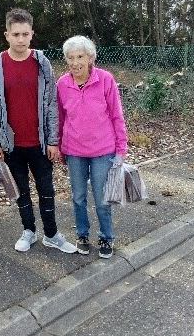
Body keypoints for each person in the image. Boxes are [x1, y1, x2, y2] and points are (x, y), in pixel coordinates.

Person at [0, 8, 76, 254]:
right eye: (16, 34)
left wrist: (54, 140)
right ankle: (28, 231)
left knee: (46, 190)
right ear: (7, 35)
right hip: (11, 145)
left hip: (40, 142)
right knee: (21, 191)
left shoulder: (41, 63)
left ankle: (52, 234)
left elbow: (51, 104)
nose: (21, 39)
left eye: (25, 34)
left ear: (32, 34)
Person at [57, 35, 128, 259]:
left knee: (101, 199)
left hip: (102, 151)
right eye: (71, 57)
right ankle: (82, 235)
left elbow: (117, 116)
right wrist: (59, 145)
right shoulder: (62, 84)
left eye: (80, 56)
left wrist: (121, 149)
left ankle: (106, 237)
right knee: (78, 197)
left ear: (90, 58)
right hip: (74, 150)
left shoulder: (105, 80)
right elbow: (59, 118)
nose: (75, 62)